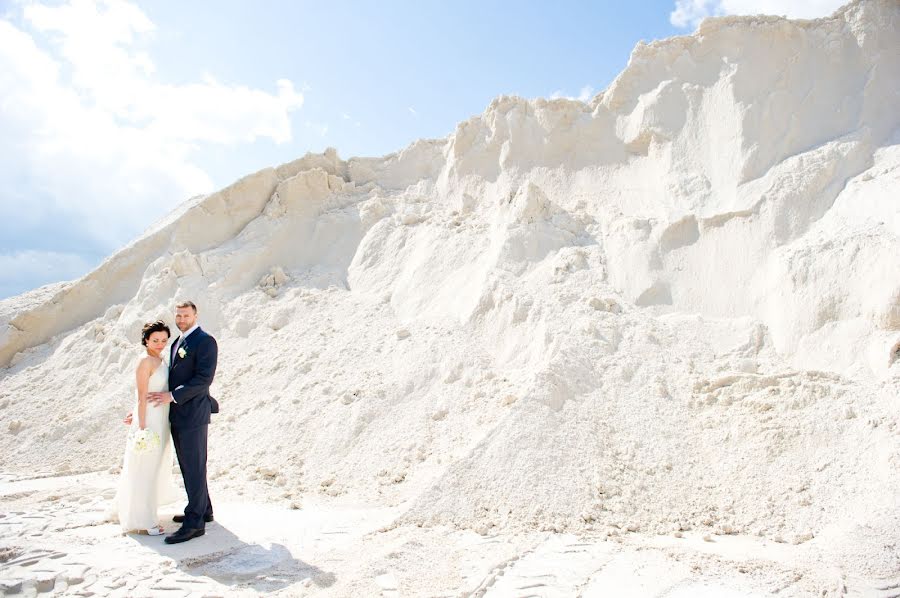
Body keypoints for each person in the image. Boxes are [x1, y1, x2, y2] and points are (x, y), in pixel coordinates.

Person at [148, 300, 219, 544]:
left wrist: (173, 396)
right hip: (178, 415)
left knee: (194, 466)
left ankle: (195, 523)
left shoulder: (205, 341)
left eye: (185, 315)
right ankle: (204, 509)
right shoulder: (177, 342)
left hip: (194, 414)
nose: (181, 320)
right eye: (178, 316)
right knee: (190, 465)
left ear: (195, 315)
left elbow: (203, 380)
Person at [117, 320, 179, 535]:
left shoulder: (160, 358)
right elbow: (142, 395)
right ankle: (144, 521)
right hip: (149, 420)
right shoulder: (145, 361)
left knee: (153, 469)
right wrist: (142, 427)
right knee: (144, 468)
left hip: (162, 418)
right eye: (155, 340)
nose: (160, 343)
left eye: (164, 340)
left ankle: (144, 510)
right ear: (145, 340)